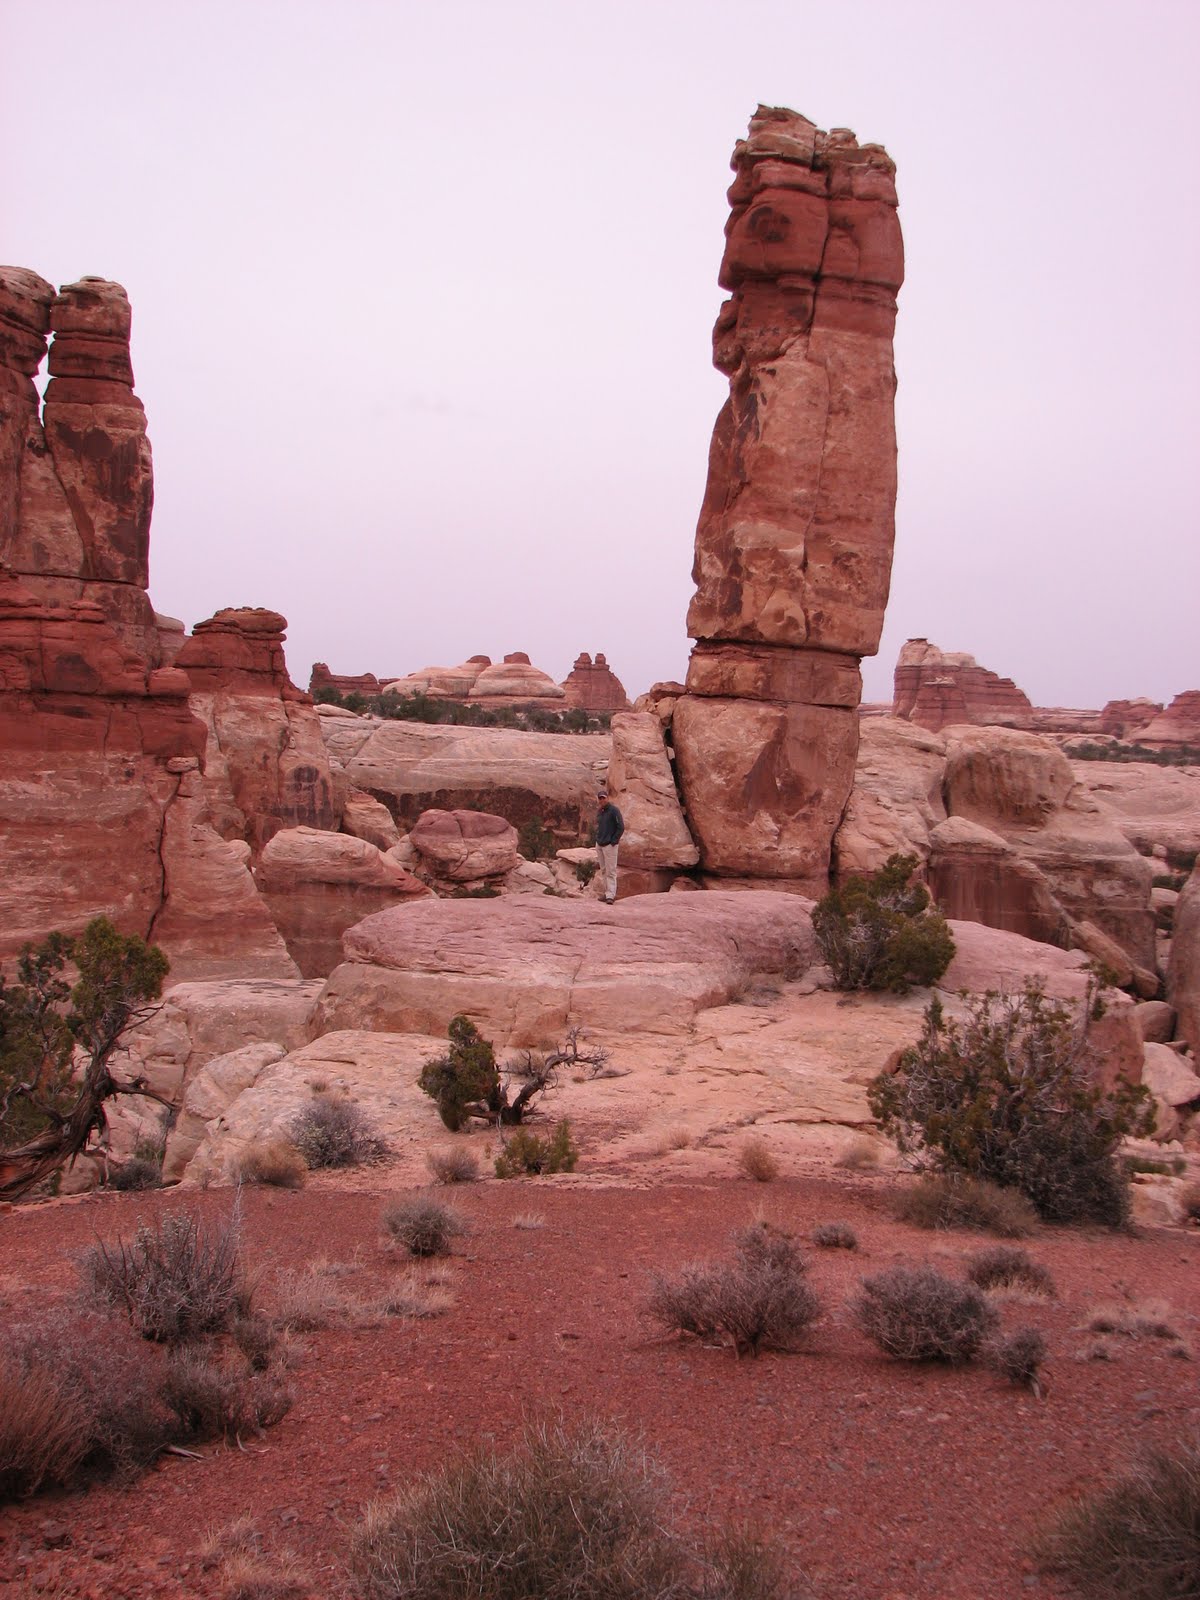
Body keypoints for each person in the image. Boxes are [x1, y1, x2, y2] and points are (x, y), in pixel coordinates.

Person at [594, 788, 624, 904]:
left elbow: (620, 826)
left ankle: (611, 895)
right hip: (600, 844)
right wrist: (597, 839)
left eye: (603, 798)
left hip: (609, 845)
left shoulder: (614, 811)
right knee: (604, 870)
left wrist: (614, 841)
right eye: (600, 798)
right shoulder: (600, 811)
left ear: (607, 798)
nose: (602, 800)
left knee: (611, 871)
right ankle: (606, 894)